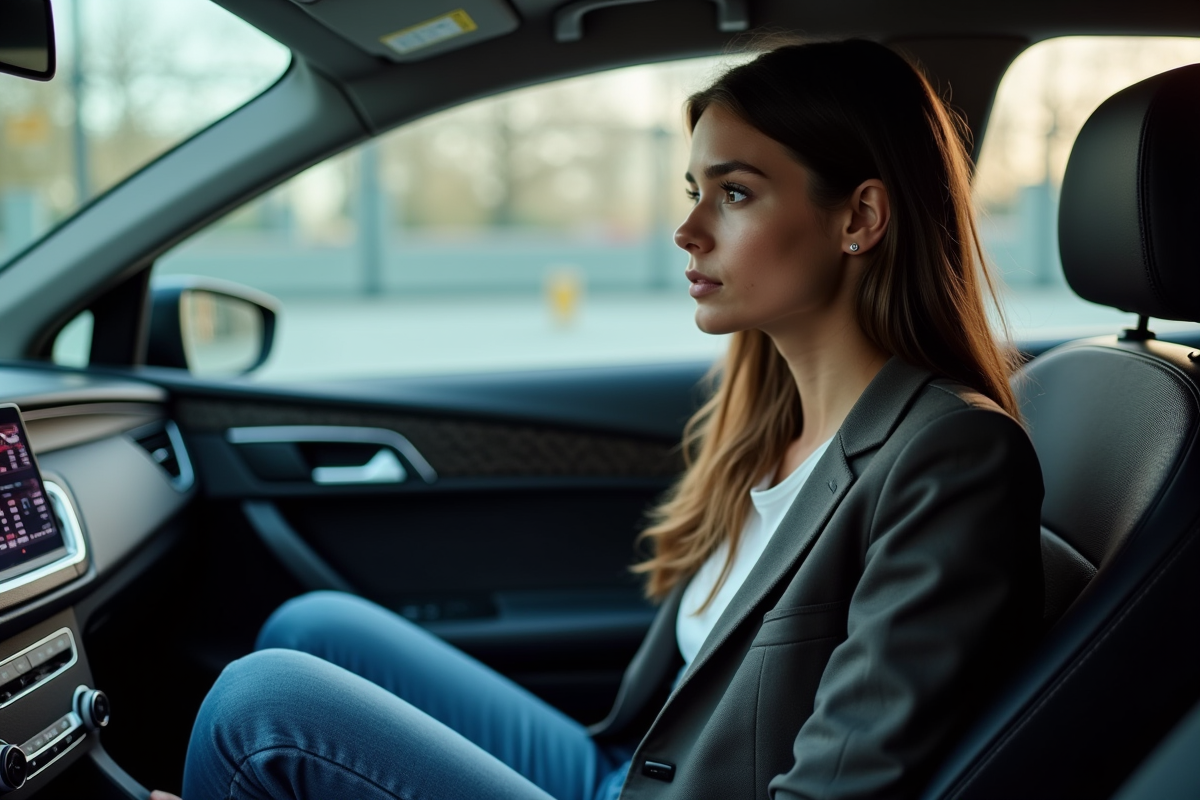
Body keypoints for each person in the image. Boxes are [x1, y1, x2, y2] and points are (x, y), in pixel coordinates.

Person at [154, 38, 1043, 800]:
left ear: (860, 215)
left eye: (733, 193)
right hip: (626, 764)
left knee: (262, 711)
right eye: (694, 188)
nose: (687, 229)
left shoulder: (950, 455)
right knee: (315, 628)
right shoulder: (770, 421)